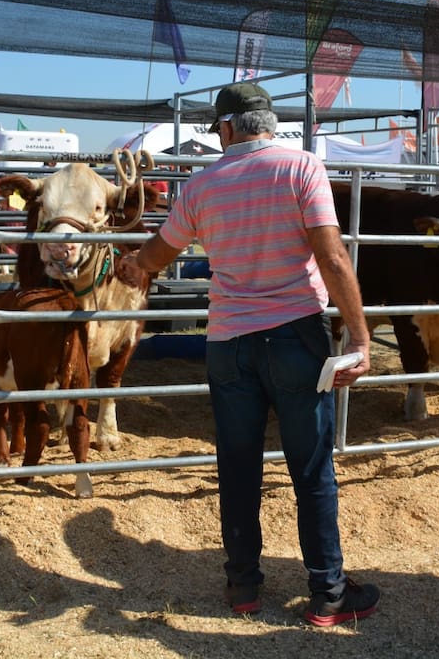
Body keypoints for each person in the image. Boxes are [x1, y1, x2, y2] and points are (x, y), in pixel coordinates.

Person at [126, 82, 379, 627]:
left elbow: (160, 252)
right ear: (267, 122)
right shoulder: (302, 168)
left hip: (228, 343)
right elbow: (332, 256)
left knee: (237, 467)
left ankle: (243, 586)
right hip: (295, 337)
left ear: (227, 128)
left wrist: (133, 265)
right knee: (311, 469)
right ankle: (328, 595)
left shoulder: (201, 184)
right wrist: (359, 338)